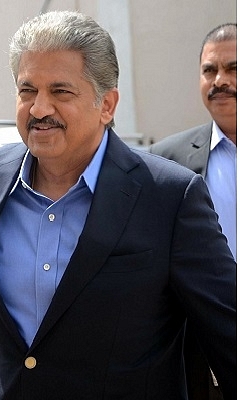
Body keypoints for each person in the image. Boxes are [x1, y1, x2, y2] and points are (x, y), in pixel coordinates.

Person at [0, 11, 236, 400]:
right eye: (27, 90)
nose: (39, 108)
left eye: (60, 92)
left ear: (107, 105)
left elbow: (228, 336)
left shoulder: (169, 196)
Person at [149, 23, 236, 400]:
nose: (220, 81)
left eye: (233, 68)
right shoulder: (168, 161)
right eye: (209, 70)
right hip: (197, 350)